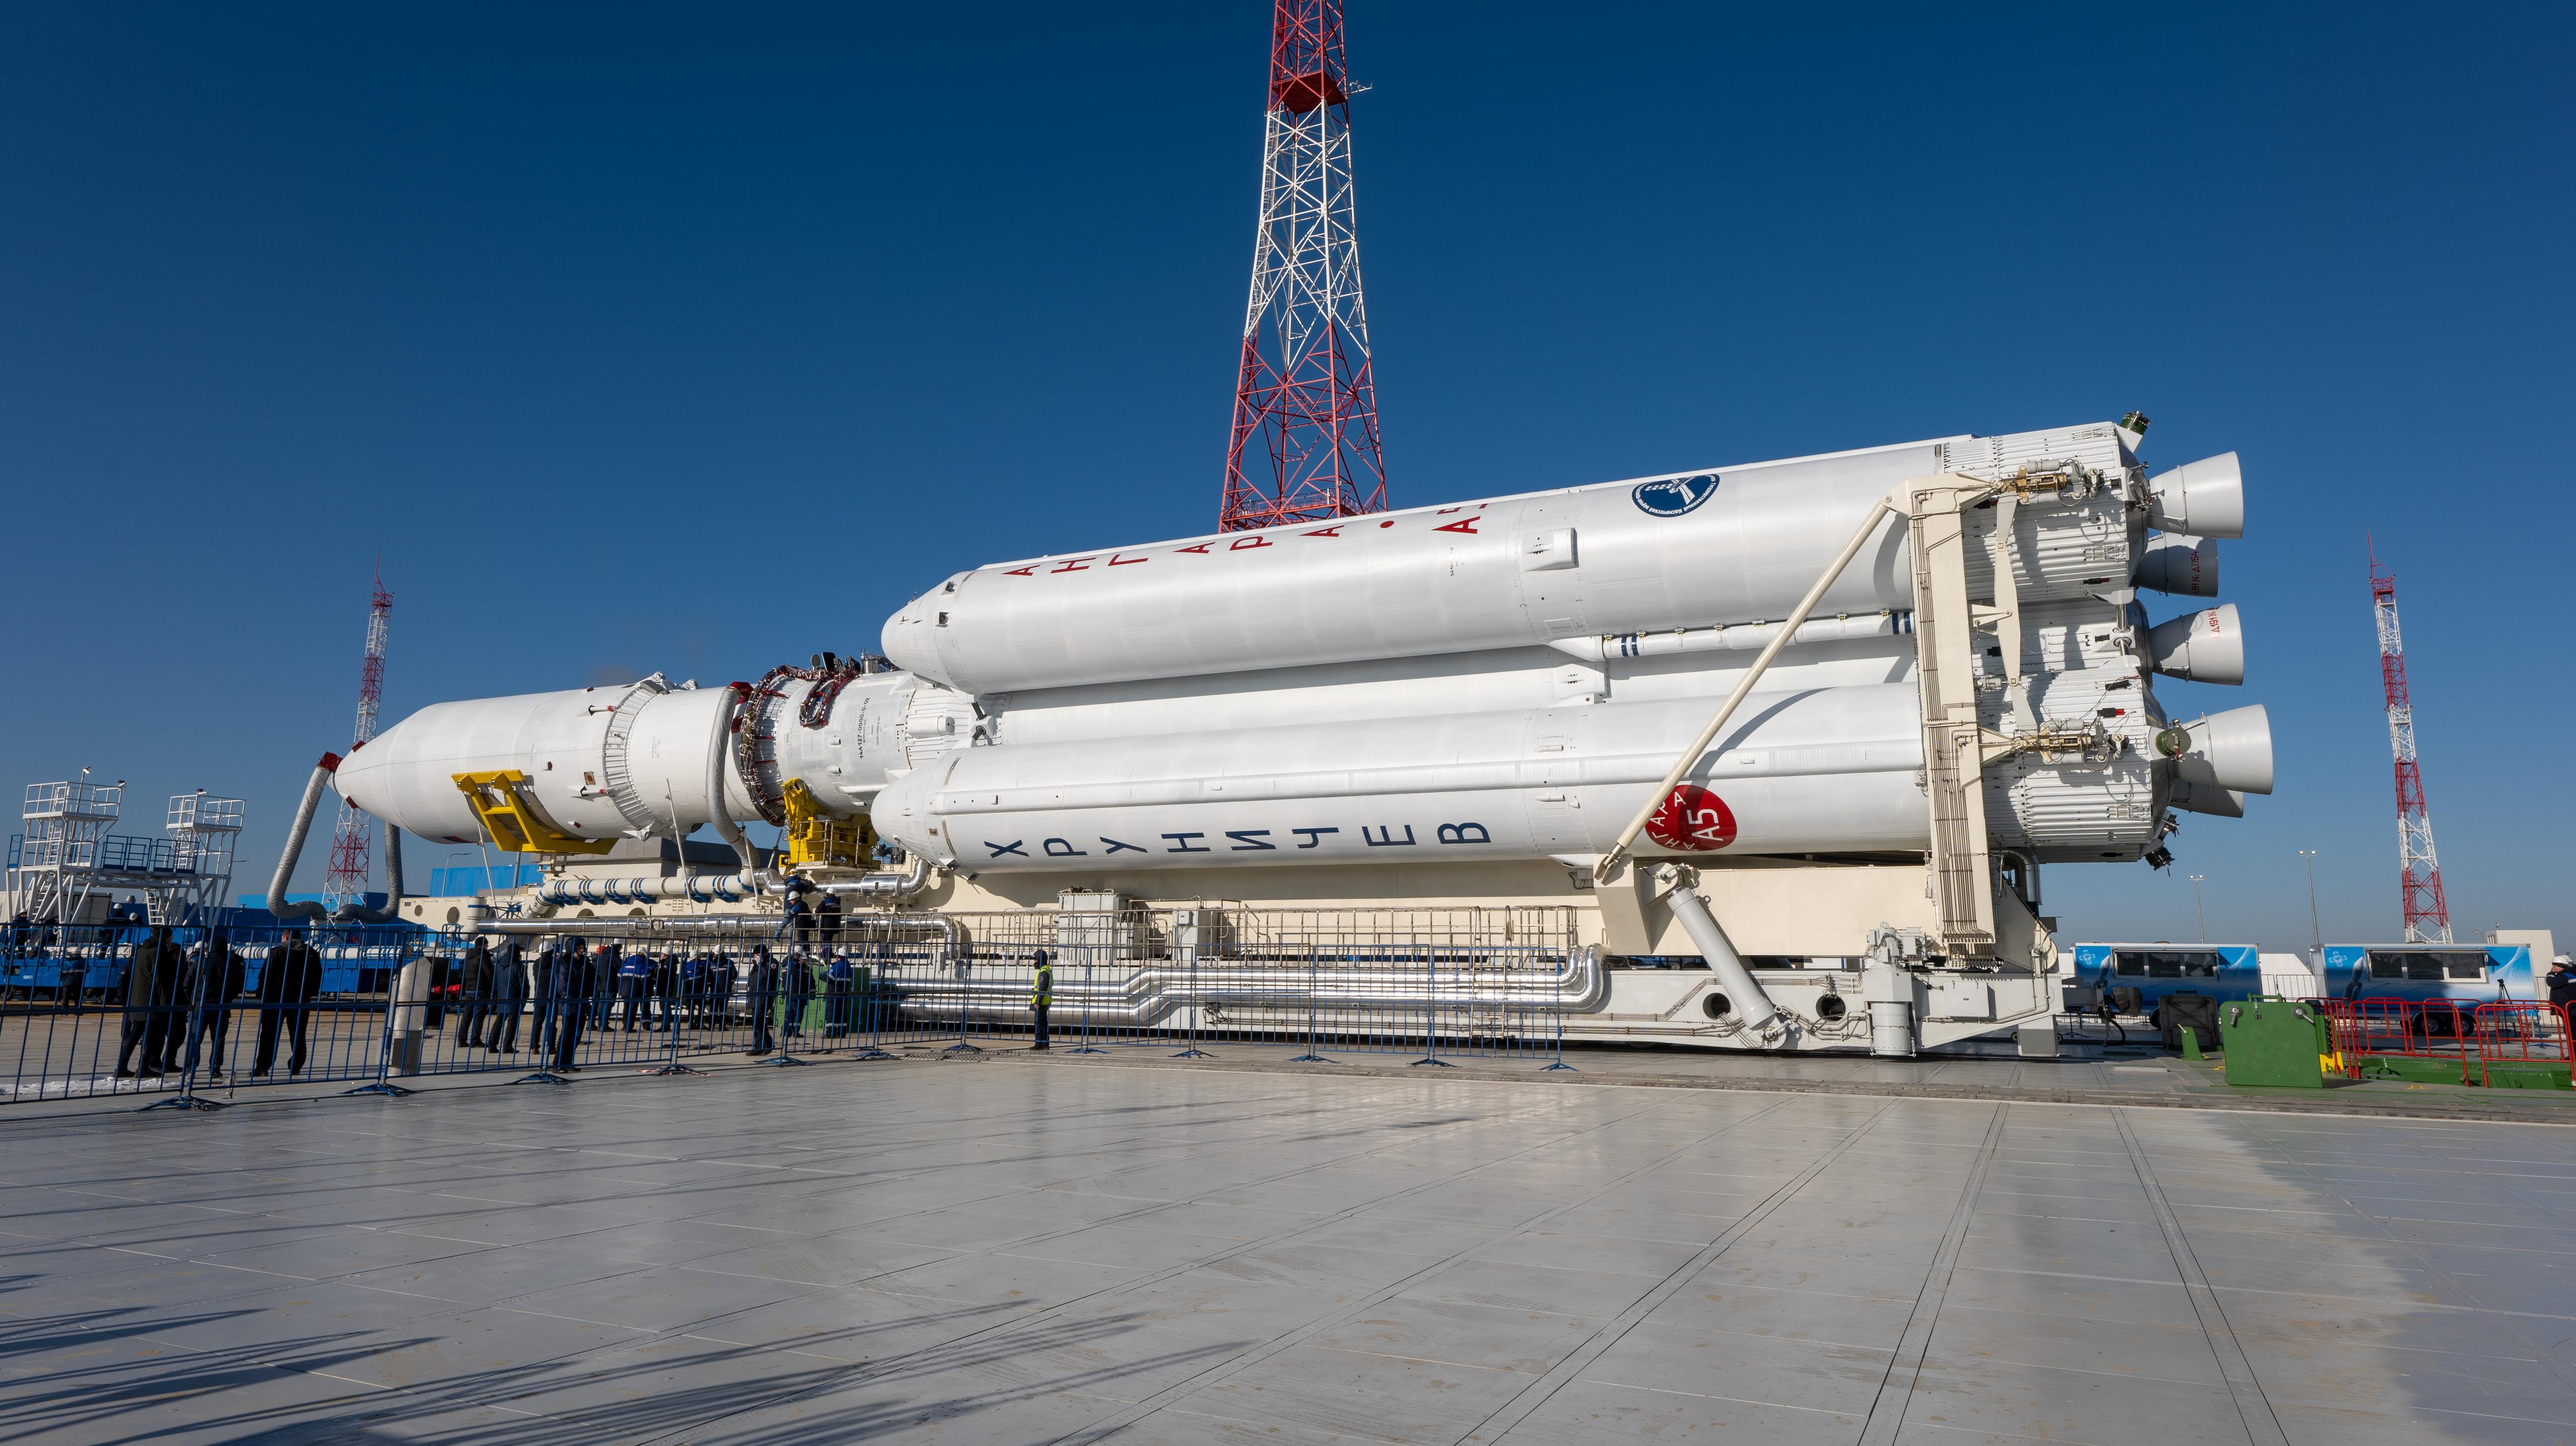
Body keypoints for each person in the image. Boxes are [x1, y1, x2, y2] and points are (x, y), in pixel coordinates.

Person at [252, 927, 323, 1077]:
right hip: (301, 1001)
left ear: (285, 938)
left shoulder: (277, 952)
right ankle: (296, 1066)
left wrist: (262, 994)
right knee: (298, 1035)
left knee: (269, 1034)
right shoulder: (311, 954)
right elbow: (317, 977)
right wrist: (309, 993)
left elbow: (266, 974)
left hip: (276, 1000)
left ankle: (263, 1066)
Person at [177, 929, 246, 1078]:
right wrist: (228, 999)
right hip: (222, 1006)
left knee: (195, 1038)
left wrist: (193, 1000)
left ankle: (190, 1068)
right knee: (218, 1040)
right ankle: (215, 1068)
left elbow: (187, 983)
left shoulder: (201, 962)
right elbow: (238, 986)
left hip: (201, 1005)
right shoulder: (232, 964)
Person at [113, 925, 176, 1078]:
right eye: (171, 937)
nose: (171, 940)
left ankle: (121, 1067)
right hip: (152, 1000)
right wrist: (165, 1003)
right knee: (152, 1036)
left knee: (134, 1034)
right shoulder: (159, 951)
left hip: (137, 1000)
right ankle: (143, 1067)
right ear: (166, 937)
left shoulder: (142, 950)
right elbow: (160, 979)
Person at [548, 933, 589, 1072]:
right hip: (569, 1003)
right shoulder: (565, 963)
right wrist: (582, 989)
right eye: (579, 948)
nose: (582, 951)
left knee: (577, 1035)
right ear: (573, 949)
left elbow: (591, 979)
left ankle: (568, 1061)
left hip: (581, 1002)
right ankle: (558, 1063)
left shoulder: (585, 963)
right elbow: (563, 986)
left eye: (583, 948)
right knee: (567, 1034)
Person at [486, 938, 529, 1052]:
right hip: (514, 999)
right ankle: (507, 1046)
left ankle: (492, 1045)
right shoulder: (519, 966)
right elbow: (524, 985)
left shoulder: (499, 966)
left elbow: (495, 983)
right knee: (512, 1023)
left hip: (502, 998)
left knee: (499, 1021)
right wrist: (525, 998)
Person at [454, 937, 492, 1049]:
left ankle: (461, 1039)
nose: (488, 946)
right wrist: (491, 990)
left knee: (467, 1015)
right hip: (481, 989)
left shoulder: (469, 957)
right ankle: (475, 1039)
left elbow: (465, 975)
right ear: (484, 945)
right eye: (487, 944)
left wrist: (463, 991)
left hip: (469, 989)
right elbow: (490, 974)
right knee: (479, 1015)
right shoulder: (483, 957)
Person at [747, 946, 778, 1056]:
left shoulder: (773, 963)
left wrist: (761, 965)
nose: (755, 957)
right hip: (754, 996)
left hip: (763, 997)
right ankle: (763, 1045)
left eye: (756, 954)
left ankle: (763, 1046)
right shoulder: (758, 964)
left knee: (758, 1021)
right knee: (756, 1022)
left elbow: (769, 976)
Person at [530, 941, 560, 1054]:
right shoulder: (555, 963)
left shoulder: (536, 964)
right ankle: (551, 1047)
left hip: (539, 996)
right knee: (551, 1023)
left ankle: (534, 1047)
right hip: (552, 996)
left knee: (537, 1023)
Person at [783, 949, 813, 1040]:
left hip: (792, 993)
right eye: (802, 959)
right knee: (798, 1013)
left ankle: (787, 1031)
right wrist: (806, 974)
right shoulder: (795, 965)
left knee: (791, 1013)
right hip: (797, 993)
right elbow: (800, 977)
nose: (803, 961)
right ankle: (794, 1032)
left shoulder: (788, 964)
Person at [618, 950, 651, 1031]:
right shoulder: (642, 965)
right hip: (635, 991)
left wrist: (620, 989)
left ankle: (625, 1026)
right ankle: (629, 1027)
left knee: (626, 1008)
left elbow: (618, 978)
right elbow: (645, 980)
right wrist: (644, 991)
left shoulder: (625, 964)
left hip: (625, 991)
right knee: (633, 1009)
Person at [1029, 947, 1052, 1051]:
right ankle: (1045, 1043)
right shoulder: (1046, 970)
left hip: (1041, 1003)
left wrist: (1038, 1002)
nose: (1034, 961)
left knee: (1039, 1024)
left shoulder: (1043, 972)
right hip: (1045, 1001)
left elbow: (1042, 988)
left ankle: (1039, 1043)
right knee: (1044, 1023)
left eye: (1035, 959)